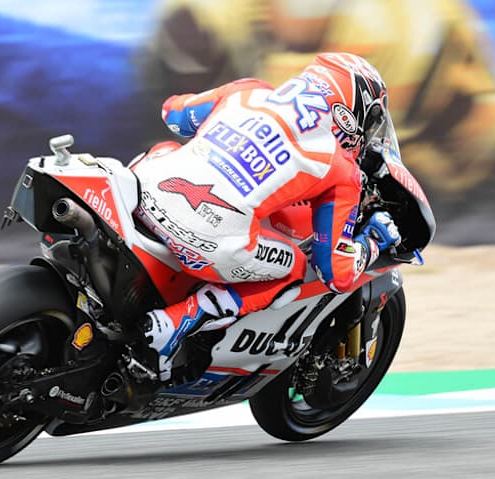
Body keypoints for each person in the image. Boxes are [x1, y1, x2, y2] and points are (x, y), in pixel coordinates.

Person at [133, 52, 401, 382]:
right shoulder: (341, 168)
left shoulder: (248, 92)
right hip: (209, 236)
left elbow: (173, 115)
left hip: (146, 195)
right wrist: (373, 243)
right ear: (351, 115)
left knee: (166, 148)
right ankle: (173, 325)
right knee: (294, 271)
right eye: (371, 121)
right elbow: (337, 274)